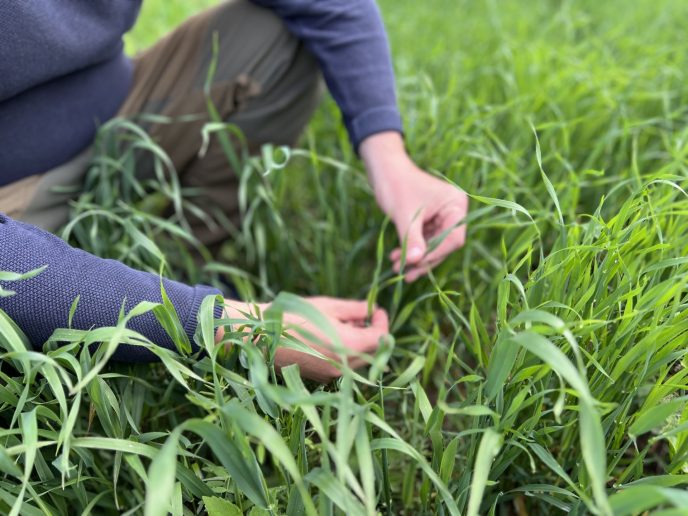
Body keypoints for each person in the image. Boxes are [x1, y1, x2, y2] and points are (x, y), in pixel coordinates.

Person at [0, 0, 468, 382]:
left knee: (270, 37)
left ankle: (180, 263)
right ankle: (151, 312)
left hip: (112, 108)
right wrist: (235, 328)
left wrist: (389, 160)